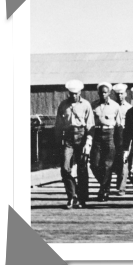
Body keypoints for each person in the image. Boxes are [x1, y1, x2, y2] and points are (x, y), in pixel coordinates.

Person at [55, 80, 95, 209]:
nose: (73, 96)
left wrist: (88, 142)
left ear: (80, 92)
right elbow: (58, 125)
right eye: (71, 93)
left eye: (76, 93)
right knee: (65, 168)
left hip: (82, 137)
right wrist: (58, 141)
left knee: (82, 168)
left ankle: (82, 198)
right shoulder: (63, 105)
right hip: (68, 139)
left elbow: (91, 125)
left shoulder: (86, 105)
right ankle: (72, 196)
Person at [90, 82, 122, 202]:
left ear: (109, 93)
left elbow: (119, 125)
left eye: (105, 92)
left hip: (110, 135)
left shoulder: (115, 106)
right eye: (101, 92)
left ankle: (104, 190)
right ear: (98, 93)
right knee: (94, 164)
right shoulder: (93, 105)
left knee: (107, 165)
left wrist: (119, 143)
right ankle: (105, 185)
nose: (103, 94)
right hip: (96, 135)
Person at [111, 83, 132, 196]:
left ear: (126, 94)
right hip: (112, 136)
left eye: (122, 94)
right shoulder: (112, 106)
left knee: (124, 162)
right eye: (117, 94)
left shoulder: (129, 108)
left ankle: (121, 187)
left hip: (124, 135)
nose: (120, 96)